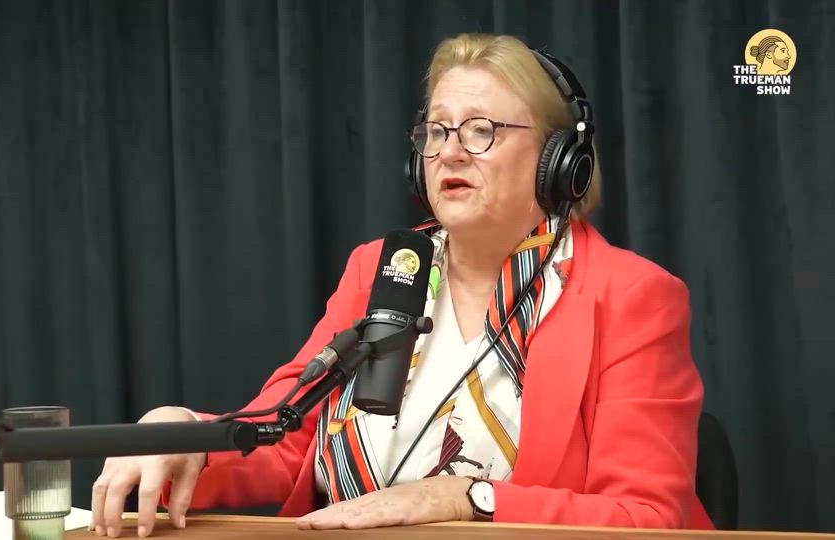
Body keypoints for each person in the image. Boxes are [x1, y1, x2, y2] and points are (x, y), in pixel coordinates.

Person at [89, 33, 713, 538]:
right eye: (437, 131)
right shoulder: (386, 267)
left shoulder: (629, 296)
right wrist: (184, 434)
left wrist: (464, 498)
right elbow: (285, 439)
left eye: (482, 130)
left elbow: (646, 518)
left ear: (559, 161)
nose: (451, 153)